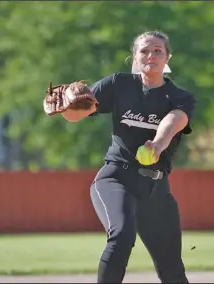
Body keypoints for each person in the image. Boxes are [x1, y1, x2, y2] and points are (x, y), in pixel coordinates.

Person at [44, 30, 196, 283]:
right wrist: (68, 109)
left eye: (158, 50)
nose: (151, 55)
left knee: (172, 269)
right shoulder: (118, 84)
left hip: (156, 188)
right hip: (116, 177)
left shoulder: (179, 97)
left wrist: (158, 144)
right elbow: (78, 114)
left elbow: (175, 119)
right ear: (134, 57)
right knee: (122, 235)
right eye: (144, 50)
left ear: (168, 57)